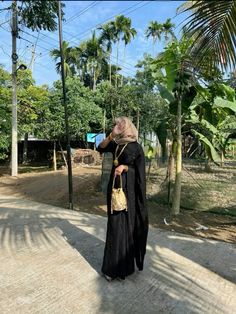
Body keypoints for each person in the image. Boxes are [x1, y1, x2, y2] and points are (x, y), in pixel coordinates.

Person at [97, 116, 149, 281]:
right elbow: (100, 147)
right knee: (114, 227)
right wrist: (112, 135)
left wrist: (125, 167)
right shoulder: (116, 144)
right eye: (117, 124)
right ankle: (111, 270)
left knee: (127, 227)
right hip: (115, 191)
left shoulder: (136, 147)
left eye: (121, 124)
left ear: (128, 127)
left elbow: (140, 173)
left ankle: (125, 269)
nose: (118, 126)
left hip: (129, 193)